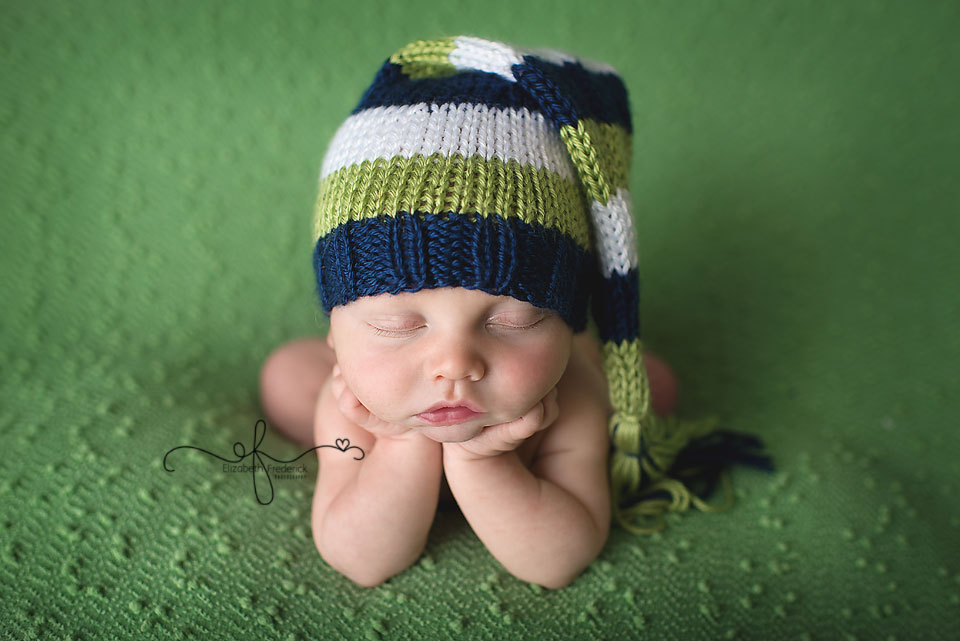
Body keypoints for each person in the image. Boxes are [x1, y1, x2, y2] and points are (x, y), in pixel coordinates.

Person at [258, 36, 760, 588]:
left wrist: (483, 463)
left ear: (569, 322)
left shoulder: (570, 402)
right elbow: (361, 560)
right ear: (335, 333)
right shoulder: (352, 405)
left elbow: (558, 560)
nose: (454, 363)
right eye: (397, 325)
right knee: (287, 377)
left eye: (511, 321)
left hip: (569, 387)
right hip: (373, 401)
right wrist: (401, 446)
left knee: (651, 388)